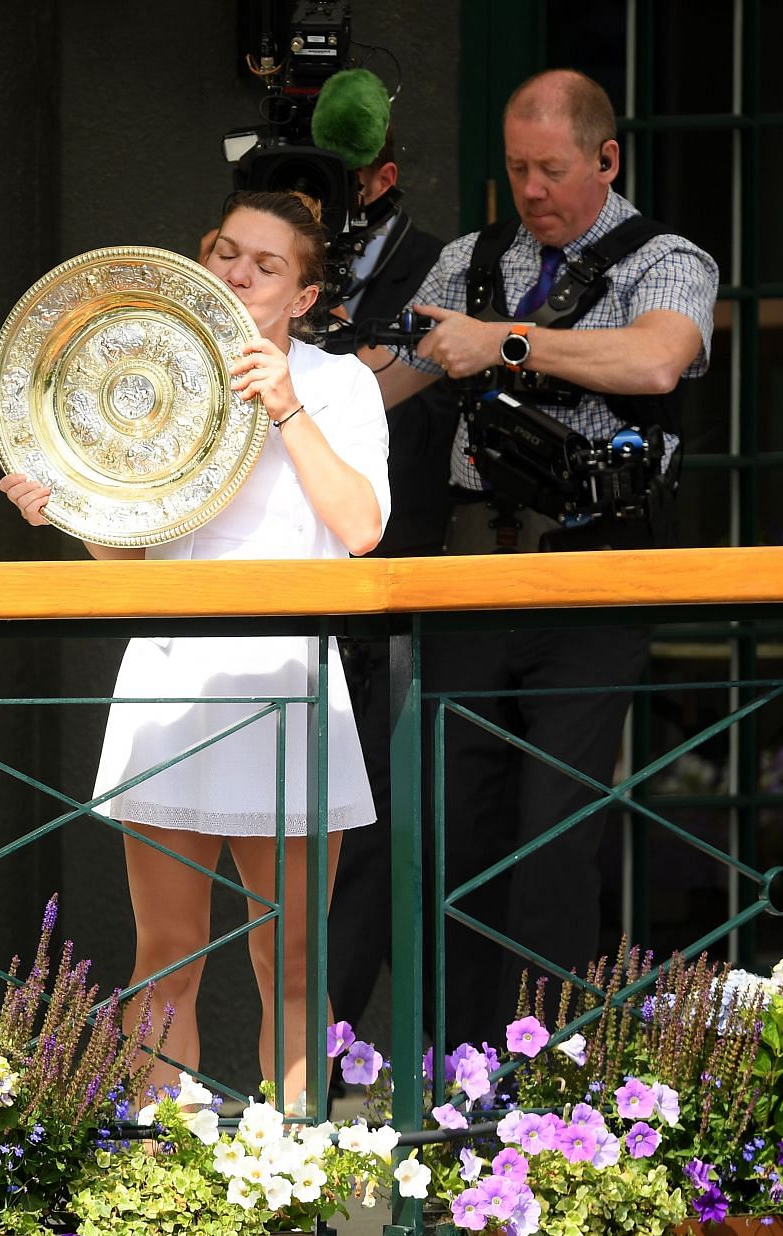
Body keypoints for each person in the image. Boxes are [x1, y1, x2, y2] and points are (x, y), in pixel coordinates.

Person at [0, 190, 391, 1109]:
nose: (238, 274)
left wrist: (288, 405)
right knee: (166, 951)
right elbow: (133, 556)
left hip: (289, 676)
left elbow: (362, 528)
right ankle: (161, 1182)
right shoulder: (145, 366)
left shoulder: (341, 385)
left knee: (288, 955)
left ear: (304, 295)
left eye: (267, 266)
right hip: (174, 670)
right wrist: (67, 509)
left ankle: (297, 1184)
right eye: (225, 252)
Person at [364, 68, 718, 1050]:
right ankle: (450, 1085)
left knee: (556, 840)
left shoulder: (669, 259)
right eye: (518, 169)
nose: (532, 190)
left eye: (552, 170)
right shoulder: (475, 260)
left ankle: (557, 1085)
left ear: (606, 159)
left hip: (591, 573)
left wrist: (507, 343)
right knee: (450, 837)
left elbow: (655, 359)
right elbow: (384, 380)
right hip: (472, 576)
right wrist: (263, 371)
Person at [298, 71, 464, 1043]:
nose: (316, 203)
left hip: (399, 580)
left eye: (336, 181)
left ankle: (383, 1068)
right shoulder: (270, 267)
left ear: (382, 176)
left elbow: (406, 394)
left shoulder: (435, 269)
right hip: (295, 596)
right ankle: (317, 1081)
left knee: (388, 832)